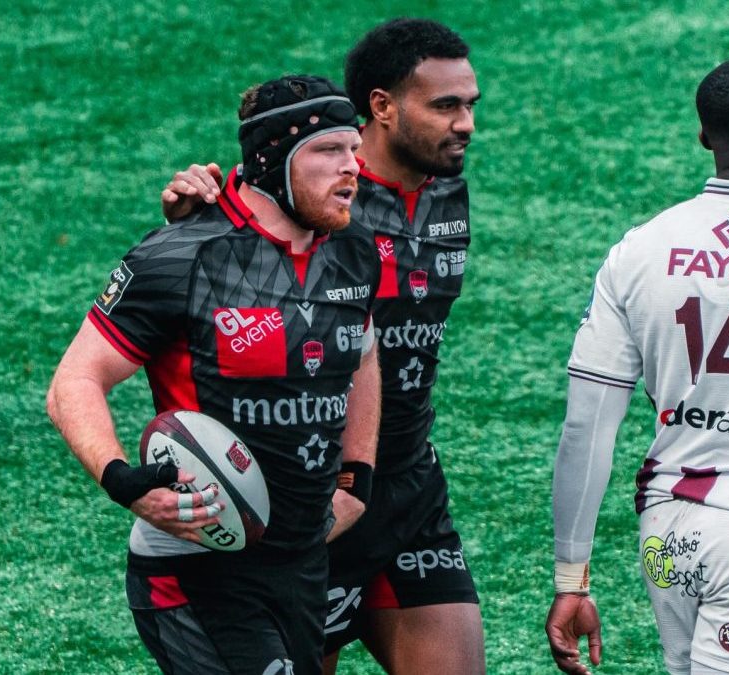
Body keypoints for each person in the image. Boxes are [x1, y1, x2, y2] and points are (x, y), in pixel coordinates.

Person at [159, 18, 485, 675]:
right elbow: (220, 270)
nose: (466, 124)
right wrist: (189, 218)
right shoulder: (310, 198)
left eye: (470, 105)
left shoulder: (446, 185)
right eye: (445, 106)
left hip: (406, 486)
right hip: (310, 499)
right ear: (383, 109)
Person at [47, 75, 383, 675]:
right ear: (272, 161)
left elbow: (362, 356)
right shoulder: (180, 256)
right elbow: (75, 382)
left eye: (353, 149)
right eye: (329, 150)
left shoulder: (352, 249)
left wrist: (356, 476)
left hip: (303, 562)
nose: (351, 166)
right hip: (197, 565)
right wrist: (124, 480)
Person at [545, 56, 729, 675]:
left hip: (667, 534)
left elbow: (585, 428)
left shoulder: (641, 248)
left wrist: (571, 578)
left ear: (704, 136)